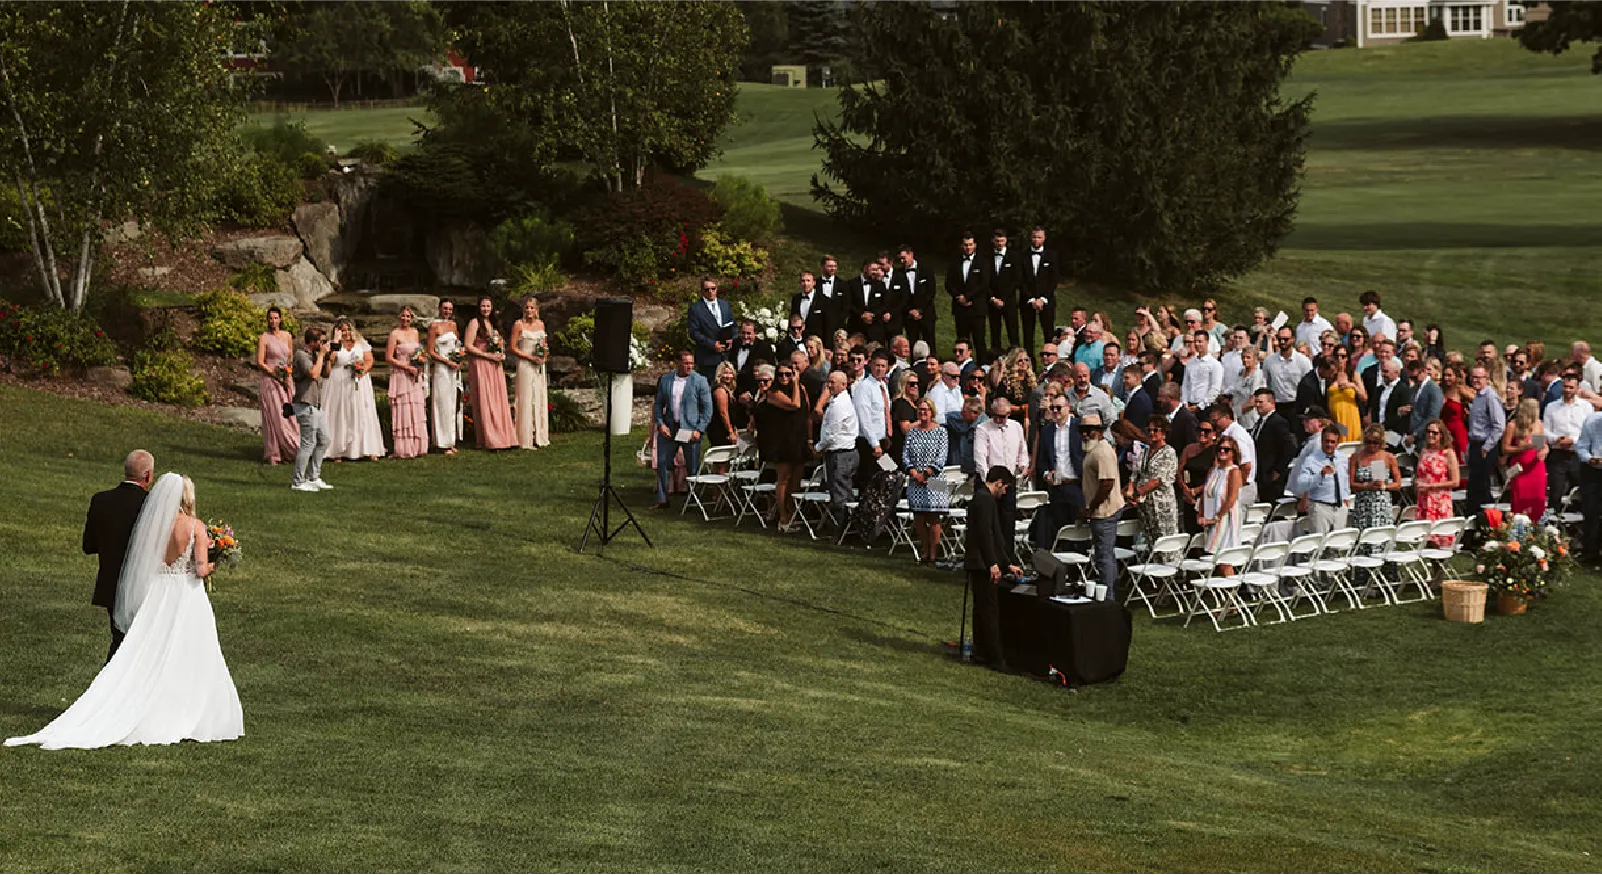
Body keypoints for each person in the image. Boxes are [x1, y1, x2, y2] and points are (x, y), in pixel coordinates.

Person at [7, 474, 243, 750]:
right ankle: (188, 712)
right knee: (190, 649)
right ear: (187, 498)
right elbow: (200, 569)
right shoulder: (194, 526)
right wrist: (218, 561)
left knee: (151, 651)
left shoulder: (152, 527)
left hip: (158, 594)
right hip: (185, 596)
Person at [81, 450, 153, 662]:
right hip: (142, 585)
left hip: (110, 584)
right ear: (147, 476)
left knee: (120, 639)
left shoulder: (100, 500)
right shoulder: (151, 505)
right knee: (136, 644)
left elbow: (88, 545)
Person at [966, 466, 1022, 672]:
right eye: (1005, 488)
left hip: (981, 561)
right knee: (988, 610)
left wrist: (1008, 563)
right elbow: (984, 535)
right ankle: (995, 657)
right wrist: (993, 563)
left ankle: (981, 651)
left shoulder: (986, 500)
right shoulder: (983, 500)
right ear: (998, 483)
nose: (1005, 492)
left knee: (982, 608)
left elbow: (996, 534)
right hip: (981, 563)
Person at [752, 362, 810, 530]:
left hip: (798, 438)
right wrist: (796, 383)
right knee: (783, 479)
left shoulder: (802, 389)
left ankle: (793, 513)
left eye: (788, 374)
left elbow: (805, 412)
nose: (784, 378)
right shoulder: (773, 393)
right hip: (782, 440)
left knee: (796, 480)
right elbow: (795, 404)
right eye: (781, 374)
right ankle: (783, 518)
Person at [652, 350, 712, 509]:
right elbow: (658, 404)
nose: (689, 366)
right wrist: (660, 423)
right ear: (678, 363)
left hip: (690, 429)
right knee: (663, 463)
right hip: (670, 426)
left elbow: (707, 409)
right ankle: (663, 499)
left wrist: (699, 429)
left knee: (692, 466)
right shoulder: (666, 380)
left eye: (692, 363)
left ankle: (692, 501)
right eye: (686, 363)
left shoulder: (700, 381)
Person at [325, 320, 387, 461]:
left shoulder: (361, 343)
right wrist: (336, 341)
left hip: (359, 381)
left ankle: (368, 448)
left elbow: (369, 360)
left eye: (347, 330)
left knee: (362, 411)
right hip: (339, 382)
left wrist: (362, 370)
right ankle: (338, 450)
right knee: (341, 413)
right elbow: (331, 361)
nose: (345, 333)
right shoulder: (332, 345)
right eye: (341, 330)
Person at [463, 296, 517, 451]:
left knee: (498, 399)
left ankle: (503, 436)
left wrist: (501, 354)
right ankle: (490, 439)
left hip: (495, 365)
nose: (485, 309)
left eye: (488, 306)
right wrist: (486, 355)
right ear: (478, 307)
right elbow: (468, 345)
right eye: (483, 306)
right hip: (481, 364)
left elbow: (498, 344)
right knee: (486, 400)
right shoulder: (474, 323)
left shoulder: (494, 323)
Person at [1079, 413, 1124, 597]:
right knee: (1106, 555)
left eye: (1088, 431)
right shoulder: (1094, 450)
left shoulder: (1102, 451)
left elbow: (1107, 483)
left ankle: (1108, 598)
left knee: (1104, 557)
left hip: (1104, 512)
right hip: (1102, 511)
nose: (1084, 434)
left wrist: (1091, 507)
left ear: (1098, 431)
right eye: (1081, 430)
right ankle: (1109, 595)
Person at [1031, 395, 1084, 547]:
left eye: (1058, 408)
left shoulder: (1079, 427)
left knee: (1078, 531)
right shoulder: (1047, 431)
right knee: (1060, 531)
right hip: (1057, 487)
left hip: (1077, 486)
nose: (1055, 411)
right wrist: (1045, 473)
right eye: (1052, 408)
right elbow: (1041, 462)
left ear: (1068, 407)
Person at [903, 398, 950, 565]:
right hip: (916, 479)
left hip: (935, 479)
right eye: (920, 410)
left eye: (926, 410)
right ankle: (924, 549)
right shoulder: (912, 432)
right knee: (919, 518)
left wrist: (927, 473)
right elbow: (905, 455)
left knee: (934, 517)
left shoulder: (941, 432)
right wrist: (915, 473)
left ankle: (933, 554)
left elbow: (942, 456)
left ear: (932, 412)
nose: (923, 412)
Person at [289, 327, 333, 493]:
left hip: (316, 404)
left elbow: (326, 374)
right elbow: (313, 374)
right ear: (312, 342)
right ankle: (298, 481)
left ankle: (313, 477)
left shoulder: (316, 355)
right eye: (320, 341)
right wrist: (321, 355)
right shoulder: (301, 355)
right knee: (308, 443)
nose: (322, 344)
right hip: (305, 404)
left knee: (324, 440)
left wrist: (327, 358)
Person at [815, 369, 859, 531]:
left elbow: (831, 434)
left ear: (844, 385)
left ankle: (843, 530)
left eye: (833, 382)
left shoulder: (839, 405)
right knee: (845, 492)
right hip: (845, 452)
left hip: (841, 454)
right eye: (829, 382)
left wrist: (818, 447)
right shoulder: (838, 401)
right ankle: (849, 528)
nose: (829, 385)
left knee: (840, 494)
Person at [255, 306, 299, 465]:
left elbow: (290, 358)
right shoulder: (264, 338)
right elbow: (260, 362)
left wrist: (287, 374)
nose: (273, 321)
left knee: (289, 416)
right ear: (267, 320)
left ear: (280, 319)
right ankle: (274, 453)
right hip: (270, 381)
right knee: (275, 417)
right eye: (270, 318)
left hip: (286, 380)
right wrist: (275, 374)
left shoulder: (287, 336)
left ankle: (290, 450)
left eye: (276, 318)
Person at [383, 306, 428, 459]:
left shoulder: (415, 333)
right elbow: (389, 357)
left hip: (414, 375)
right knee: (403, 408)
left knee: (415, 408)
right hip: (401, 374)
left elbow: (419, 353)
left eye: (408, 316)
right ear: (398, 317)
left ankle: (417, 445)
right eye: (403, 316)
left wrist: (419, 364)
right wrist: (406, 367)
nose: (405, 319)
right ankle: (403, 448)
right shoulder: (394, 334)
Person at [1128, 415, 1180, 540]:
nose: (1152, 433)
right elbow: (1135, 472)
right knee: (1151, 539)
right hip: (1145, 504)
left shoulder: (1168, 452)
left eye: (1155, 430)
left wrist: (1137, 493)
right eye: (1149, 430)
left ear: (1164, 432)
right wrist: (1130, 490)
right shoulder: (1145, 451)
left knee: (1165, 540)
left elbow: (1158, 480)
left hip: (1162, 504)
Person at [1293, 427, 1353, 534]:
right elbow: (1301, 483)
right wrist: (1320, 475)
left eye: (1332, 442)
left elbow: (1344, 479)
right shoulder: (1311, 460)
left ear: (1337, 443)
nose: (1329, 444)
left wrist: (1345, 498)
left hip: (1339, 508)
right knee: (1320, 544)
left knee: (1337, 545)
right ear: (1321, 440)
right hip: (1320, 506)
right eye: (1327, 441)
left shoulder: (1342, 458)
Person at [1543, 372, 1589, 512]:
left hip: (1577, 455)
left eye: (1571, 387)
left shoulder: (1585, 407)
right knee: (1556, 491)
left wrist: (1573, 440)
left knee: (1583, 490)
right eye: (1566, 386)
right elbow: (1545, 431)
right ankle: (1552, 521)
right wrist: (1557, 439)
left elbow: (1587, 430)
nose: (1567, 390)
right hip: (1558, 454)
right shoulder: (1552, 407)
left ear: (1577, 388)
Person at [510, 296, 550, 450]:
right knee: (526, 398)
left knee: (539, 397)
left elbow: (544, 345)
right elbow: (512, 348)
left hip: (538, 365)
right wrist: (529, 357)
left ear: (536, 310)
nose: (529, 310)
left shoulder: (541, 324)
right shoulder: (518, 325)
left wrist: (543, 356)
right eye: (526, 307)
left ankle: (539, 435)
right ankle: (524, 437)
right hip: (525, 364)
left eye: (531, 307)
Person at [1199, 436, 1245, 569]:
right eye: (1220, 449)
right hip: (1209, 519)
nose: (1222, 452)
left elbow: (1231, 499)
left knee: (1224, 562)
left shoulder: (1234, 472)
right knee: (1215, 560)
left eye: (1226, 449)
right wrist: (1202, 514)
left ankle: (1231, 588)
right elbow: (1205, 493)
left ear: (1233, 452)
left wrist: (1216, 518)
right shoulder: (1213, 470)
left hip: (1225, 519)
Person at [1415, 420, 1460, 546]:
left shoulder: (1448, 453)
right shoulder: (1424, 451)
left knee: (1441, 541)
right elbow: (1420, 473)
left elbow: (1456, 481)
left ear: (1441, 435)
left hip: (1440, 501)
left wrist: (1431, 486)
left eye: (1434, 433)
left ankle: (1439, 565)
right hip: (1424, 500)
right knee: (1426, 540)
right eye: (1428, 431)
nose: (1430, 435)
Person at [1466, 365, 1505, 511]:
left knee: (1482, 487)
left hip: (1485, 447)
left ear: (1486, 378)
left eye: (1479, 378)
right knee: (1474, 486)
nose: (1475, 380)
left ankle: (1485, 520)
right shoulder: (1477, 397)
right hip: (1475, 445)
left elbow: (1499, 425)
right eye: (1473, 377)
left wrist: (1487, 446)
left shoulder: (1490, 397)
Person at [1502, 398, 1549, 519]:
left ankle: (1537, 530)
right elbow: (1505, 448)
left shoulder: (1538, 424)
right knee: (1520, 503)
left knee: (1537, 504)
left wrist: (1544, 451)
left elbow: (1543, 445)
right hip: (1520, 469)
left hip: (1536, 468)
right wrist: (1523, 448)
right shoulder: (1512, 426)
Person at [1349, 424, 1401, 530]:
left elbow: (1398, 484)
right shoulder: (1356, 457)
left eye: (1375, 442)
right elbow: (1350, 484)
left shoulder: (1389, 457)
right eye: (1368, 442)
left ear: (1381, 442)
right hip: (1363, 504)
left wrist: (1384, 486)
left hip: (1381, 504)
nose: (1371, 445)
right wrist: (1366, 485)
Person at [1249, 388, 1297, 503]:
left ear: (1271, 402)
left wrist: (1278, 470)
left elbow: (1289, 448)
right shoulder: (1259, 422)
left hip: (1271, 477)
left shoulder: (1278, 422)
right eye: (1256, 402)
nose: (1257, 405)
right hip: (1261, 475)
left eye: (1261, 402)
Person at [427, 299, 462, 455]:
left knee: (452, 403)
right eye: (445, 308)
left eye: (450, 309)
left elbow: (457, 346)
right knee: (441, 403)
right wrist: (447, 361)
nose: (447, 311)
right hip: (442, 369)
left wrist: (459, 358)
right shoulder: (434, 326)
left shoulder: (453, 325)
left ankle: (451, 440)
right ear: (440, 309)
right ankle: (441, 442)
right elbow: (431, 351)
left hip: (453, 369)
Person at [1018, 225, 1058, 353]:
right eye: (1034, 237)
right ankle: (1029, 362)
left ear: (1044, 238)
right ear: (1031, 237)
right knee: (1027, 334)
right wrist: (1031, 298)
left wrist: (1042, 298)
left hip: (1046, 300)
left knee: (1048, 333)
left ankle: (1050, 359)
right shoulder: (1023, 256)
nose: (1036, 240)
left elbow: (1054, 279)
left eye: (1039, 237)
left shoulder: (1052, 255)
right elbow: (1020, 279)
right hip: (1027, 301)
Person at [947, 233, 989, 350]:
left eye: (970, 245)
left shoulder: (983, 261)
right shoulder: (955, 261)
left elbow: (984, 284)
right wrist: (958, 297)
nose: (968, 247)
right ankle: (962, 365)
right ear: (962, 246)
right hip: (960, 308)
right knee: (962, 340)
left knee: (979, 340)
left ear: (975, 245)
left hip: (977, 308)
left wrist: (968, 297)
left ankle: (982, 365)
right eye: (965, 245)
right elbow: (948, 283)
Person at [984, 229, 1022, 353]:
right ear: (992, 241)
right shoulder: (987, 257)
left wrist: (1004, 299)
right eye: (997, 241)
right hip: (992, 301)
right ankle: (995, 356)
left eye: (1002, 241)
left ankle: (1016, 357)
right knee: (995, 330)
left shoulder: (1014, 257)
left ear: (1006, 241)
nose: (999, 243)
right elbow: (985, 280)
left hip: (1009, 301)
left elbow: (1016, 280)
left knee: (1012, 330)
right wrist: (992, 298)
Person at [688, 278, 735, 379]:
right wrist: (712, 344)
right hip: (707, 358)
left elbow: (732, 324)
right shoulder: (696, 309)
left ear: (717, 289)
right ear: (702, 291)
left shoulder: (724, 305)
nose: (710, 292)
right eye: (707, 290)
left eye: (713, 289)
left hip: (726, 357)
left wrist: (732, 339)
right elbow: (694, 332)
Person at [1178, 419, 1219, 534]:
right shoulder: (1188, 449)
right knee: (1190, 531)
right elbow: (1180, 470)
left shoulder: (1216, 452)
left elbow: (1214, 477)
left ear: (1214, 434)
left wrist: (1195, 491)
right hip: (1188, 496)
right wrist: (1185, 489)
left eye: (1206, 431)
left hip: (1206, 497)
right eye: (1199, 430)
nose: (1202, 433)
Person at [895, 244, 938, 351]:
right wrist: (910, 310)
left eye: (904, 258)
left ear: (911, 255)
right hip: (909, 316)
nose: (902, 261)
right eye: (900, 259)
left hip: (926, 313)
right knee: (913, 344)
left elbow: (931, 292)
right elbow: (899, 296)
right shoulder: (898, 274)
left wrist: (919, 310)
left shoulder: (926, 270)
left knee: (930, 343)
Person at [1575, 409, 1602, 565]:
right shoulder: (1592, 421)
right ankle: (1590, 551)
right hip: (1592, 470)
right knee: (1590, 512)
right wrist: (1589, 458)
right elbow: (1582, 446)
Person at [1327, 344, 1366, 445]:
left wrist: (1352, 386)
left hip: (1350, 415)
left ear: (1347, 358)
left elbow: (1364, 397)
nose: (1340, 359)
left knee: (1350, 445)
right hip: (1335, 417)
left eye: (1343, 356)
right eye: (1337, 356)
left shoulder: (1353, 375)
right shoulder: (1330, 374)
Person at [1406, 357, 1443, 451]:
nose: (1413, 380)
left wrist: (1416, 435)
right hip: (1410, 437)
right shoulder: (1414, 388)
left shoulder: (1434, 389)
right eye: (1411, 377)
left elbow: (1433, 416)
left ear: (1423, 371)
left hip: (1424, 438)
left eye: (1414, 377)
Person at [1181, 330, 1223, 410]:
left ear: (1207, 342)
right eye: (1195, 341)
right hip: (1189, 404)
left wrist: (1201, 406)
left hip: (1205, 407)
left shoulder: (1214, 364)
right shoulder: (1190, 363)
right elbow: (1185, 384)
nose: (1197, 344)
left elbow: (1215, 388)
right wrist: (1184, 401)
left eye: (1200, 341)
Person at [1439, 362, 1471, 461]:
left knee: (1460, 458)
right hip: (1443, 430)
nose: (1446, 378)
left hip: (1458, 431)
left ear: (1456, 376)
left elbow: (1478, 401)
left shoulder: (1460, 390)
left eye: (1449, 375)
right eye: (1444, 375)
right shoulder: (1440, 390)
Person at [707, 361, 739, 450]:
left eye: (730, 373)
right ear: (719, 374)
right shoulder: (720, 390)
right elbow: (723, 413)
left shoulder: (728, 390)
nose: (728, 376)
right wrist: (730, 432)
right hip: (720, 430)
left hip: (727, 428)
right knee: (722, 460)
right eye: (725, 373)